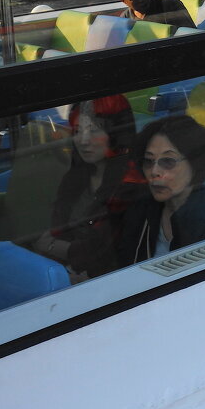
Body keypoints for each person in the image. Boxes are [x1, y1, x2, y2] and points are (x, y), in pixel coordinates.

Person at [35, 97, 146, 281]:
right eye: (78, 131)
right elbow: (57, 228)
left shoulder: (131, 184)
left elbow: (101, 253)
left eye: (93, 130)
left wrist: (53, 247)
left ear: (116, 133)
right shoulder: (75, 177)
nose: (83, 140)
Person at [119, 115, 205, 264]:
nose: (154, 171)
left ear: (196, 164)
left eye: (168, 161)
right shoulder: (141, 207)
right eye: (148, 161)